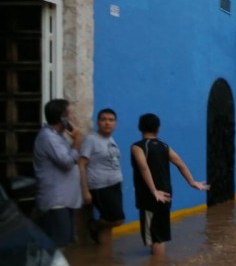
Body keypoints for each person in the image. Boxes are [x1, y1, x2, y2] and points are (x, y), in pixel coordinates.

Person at [131, 113, 209, 256]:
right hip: (166, 194)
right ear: (158, 129)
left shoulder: (138, 147)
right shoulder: (164, 146)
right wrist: (192, 182)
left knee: (155, 238)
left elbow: (143, 167)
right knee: (160, 236)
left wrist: (153, 190)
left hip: (150, 197)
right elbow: (180, 163)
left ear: (139, 128)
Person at [33, 98, 83, 247]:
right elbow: (67, 162)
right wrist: (78, 141)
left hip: (64, 201)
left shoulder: (58, 137)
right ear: (63, 118)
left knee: (64, 244)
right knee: (57, 248)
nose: (73, 118)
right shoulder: (48, 138)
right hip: (56, 203)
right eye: (70, 114)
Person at [79, 108, 125, 245]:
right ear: (97, 122)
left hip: (115, 184)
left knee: (109, 221)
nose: (107, 123)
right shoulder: (91, 139)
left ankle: (105, 255)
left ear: (115, 123)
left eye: (111, 120)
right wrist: (85, 190)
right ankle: (93, 226)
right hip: (100, 186)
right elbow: (81, 164)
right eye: (103, 120)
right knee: (117, 219)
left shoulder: (111, 139)